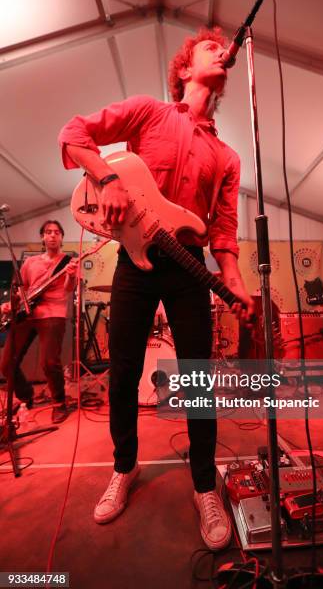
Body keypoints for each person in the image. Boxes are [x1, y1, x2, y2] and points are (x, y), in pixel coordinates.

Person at [59, 28, 254, 550]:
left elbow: (224, 234)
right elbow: (74, 132)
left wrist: (234, 286)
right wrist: (106, 177)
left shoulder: (229, 158)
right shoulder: (149, 112)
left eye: (223, 49)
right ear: (185, 70)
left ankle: (202, 485)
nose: (221, 50)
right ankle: (124, 468)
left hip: (189, 264)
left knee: (199, 378)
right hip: (135, 261)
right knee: (121, 373)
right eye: (208, 47)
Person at [1, 220, 78, 424]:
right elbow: (22, 288)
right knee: (6, 363)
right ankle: (26, 395)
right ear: (42, 237)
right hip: (27, 314)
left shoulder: (68, 262)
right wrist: (12, 304)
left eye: (56, 232)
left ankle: (59, 403)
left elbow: (69, 288)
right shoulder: (30, 263)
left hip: (53, 312)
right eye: (48, 232)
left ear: (62, 237)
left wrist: (71, 276)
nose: (52, 235)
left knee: (49, 362)